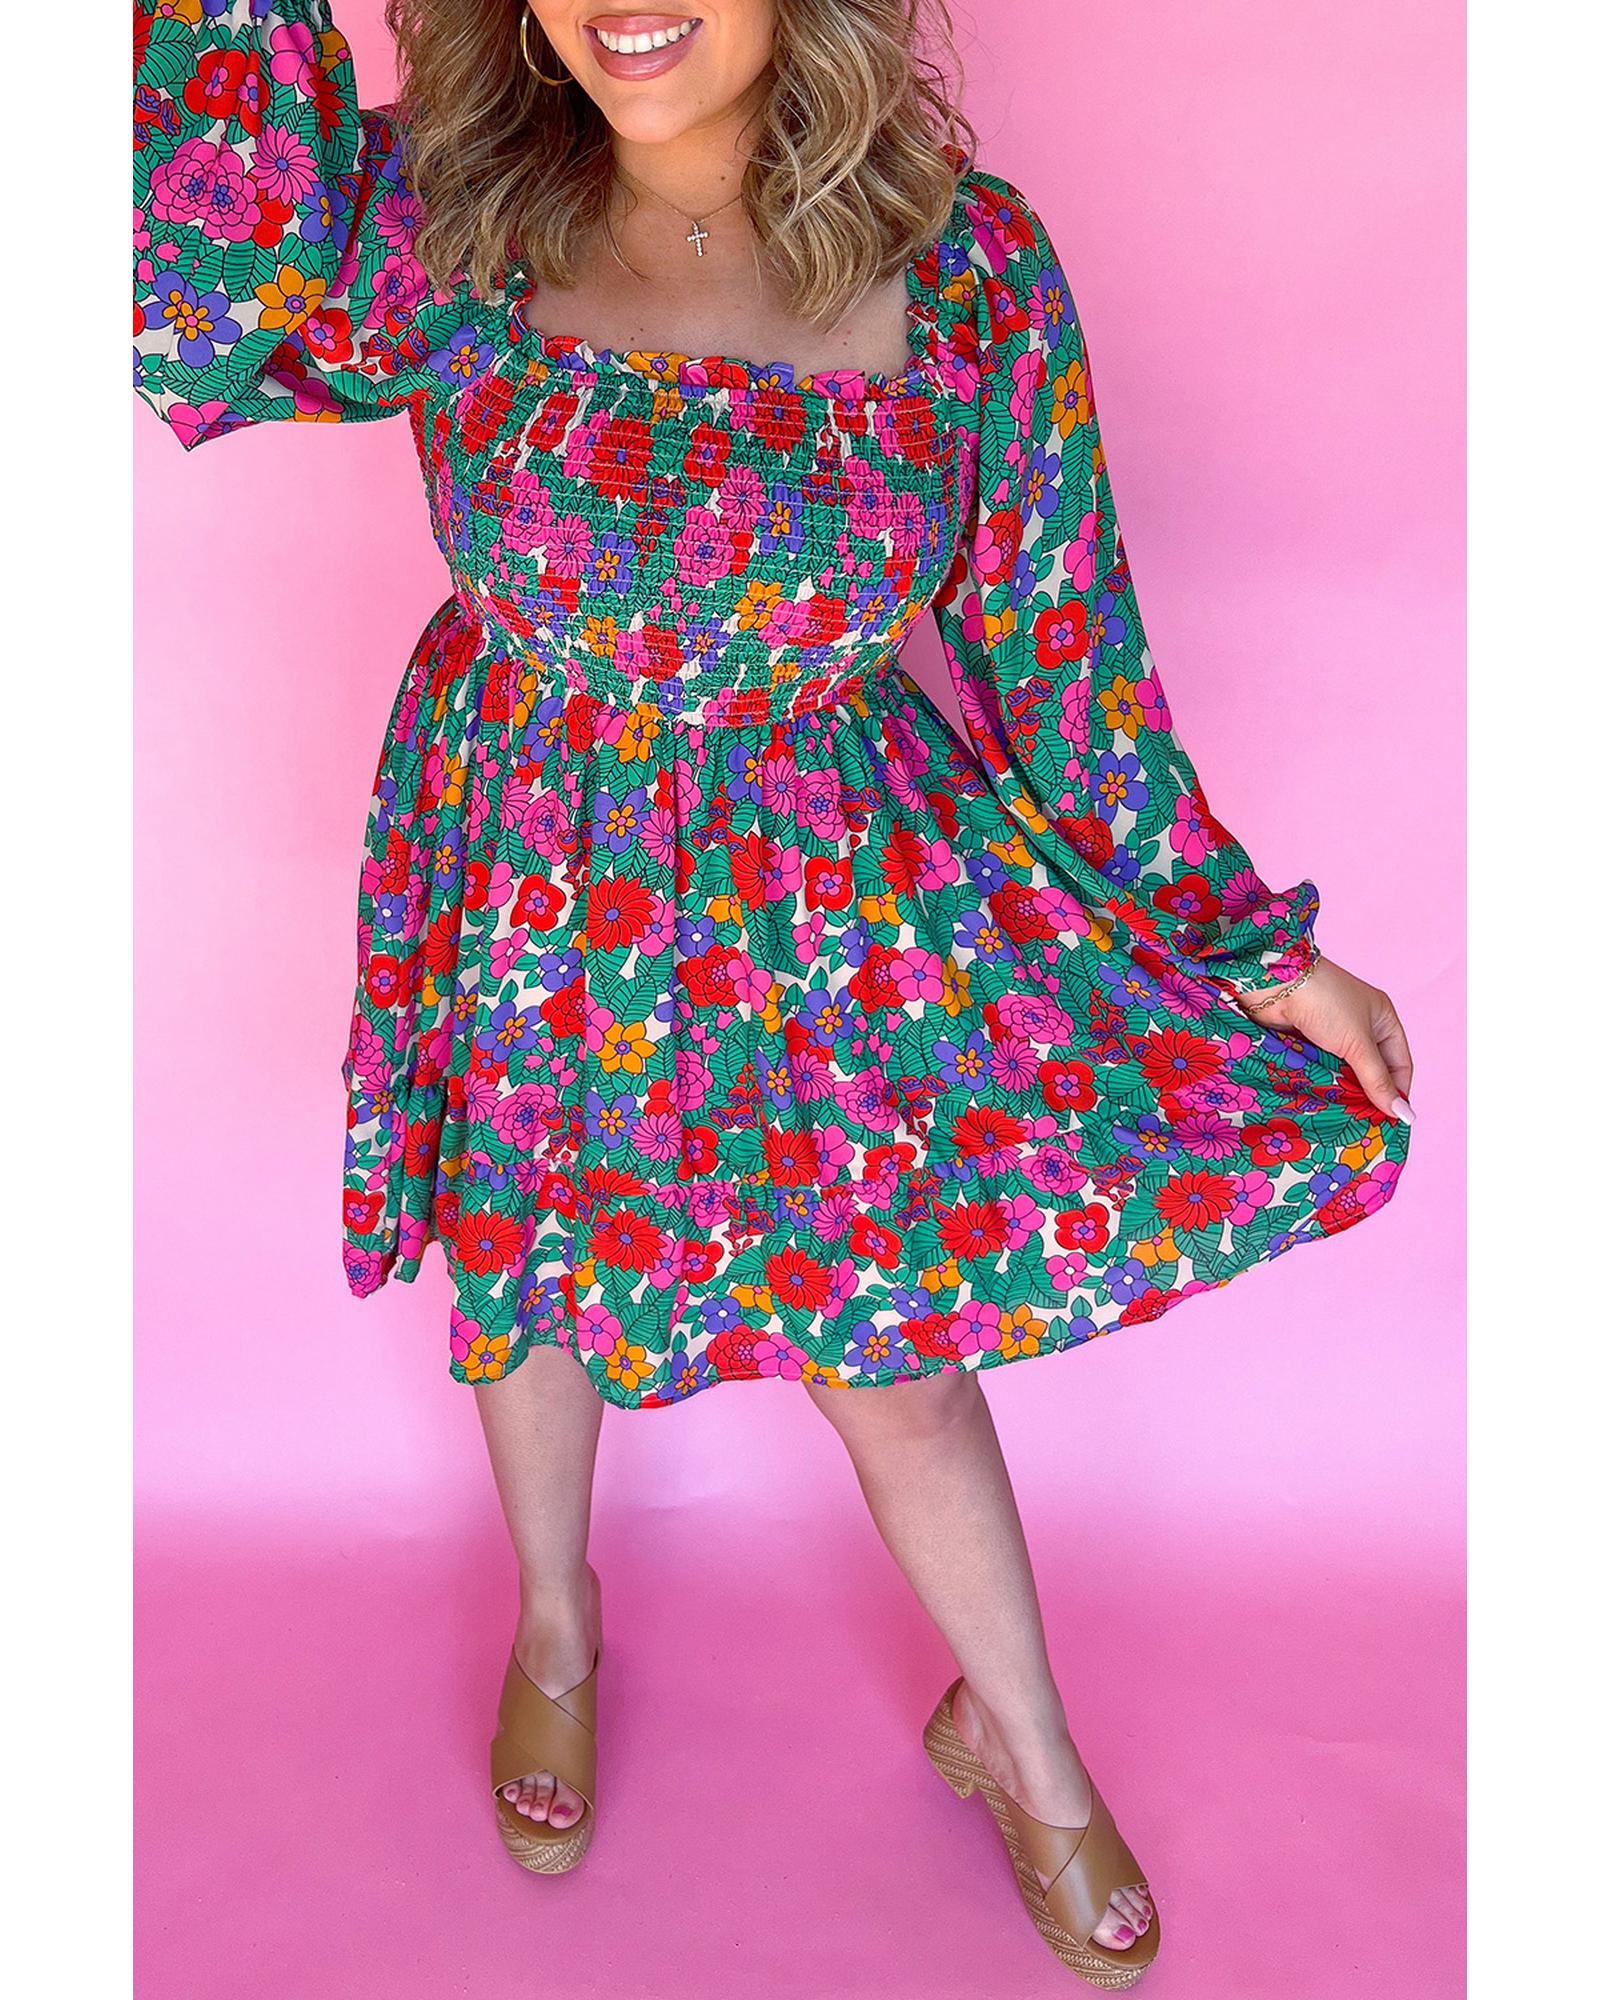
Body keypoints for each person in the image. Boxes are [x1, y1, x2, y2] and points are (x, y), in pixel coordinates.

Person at [133, 2, 1415, 1983]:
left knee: (892, 1353)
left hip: (834, 912)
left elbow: (1063, 653)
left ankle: (1022, 1741)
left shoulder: (966, 265)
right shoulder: (448, 218)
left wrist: (1257, 947)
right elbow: (196, 311)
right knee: (528, 1266)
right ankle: (557, 1628)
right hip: (532, 865)